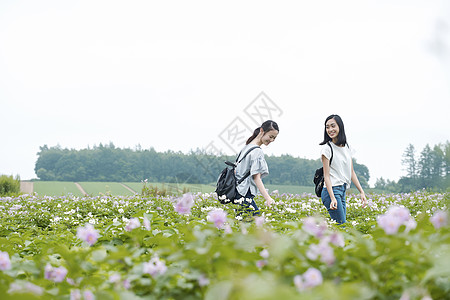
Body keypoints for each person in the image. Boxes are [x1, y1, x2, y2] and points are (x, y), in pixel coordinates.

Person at [320, 114, 367, 224]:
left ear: (340, 127)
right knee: (341, 226)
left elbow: (351, 172)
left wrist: (361, 192)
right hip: (331, 190)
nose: (330, 130)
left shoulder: (347, 147)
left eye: (333, 126)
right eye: (327, 127)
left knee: (341, 226)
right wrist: (332, 198)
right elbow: (326, 176)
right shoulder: (327, 149)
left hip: (342, 189)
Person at [235, 120, 279, 216]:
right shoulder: (257, 151)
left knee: (242, 226)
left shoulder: (246, 147)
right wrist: (268, 198)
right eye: (270, 137)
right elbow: (256, 178)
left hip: (238, 193)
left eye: (274, 138)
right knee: (257, 225)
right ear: (262, 131)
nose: (271, 140)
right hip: (245, 194)